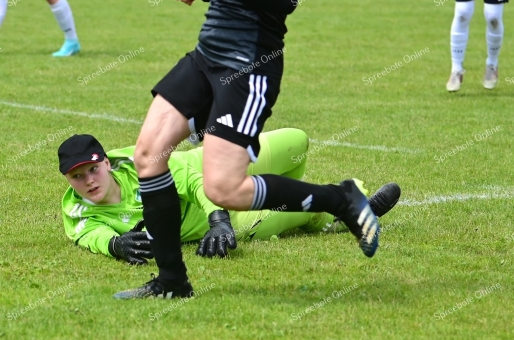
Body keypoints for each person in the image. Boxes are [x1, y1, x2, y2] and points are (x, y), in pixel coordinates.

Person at [114, 0, 380, 300]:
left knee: (225, 189)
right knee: (148, 154)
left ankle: (339, 199)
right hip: (206, 54)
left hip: (246, 65)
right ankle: (172, 282)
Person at [60, 131, 401, 263]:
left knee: (296, 141)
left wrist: (216, 218)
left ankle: (280, 184)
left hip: (213, 164)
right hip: (237, 217)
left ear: (106, 163)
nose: (89, 181)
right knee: (299, 215)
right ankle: (343, 215)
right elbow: (91, 236)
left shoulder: (138, 162)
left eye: (93, 170)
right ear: (68, 179)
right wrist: (116, 246)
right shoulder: (77, 211)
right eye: (77, 177)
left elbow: (194, 182)